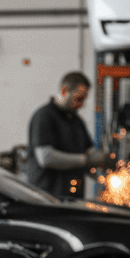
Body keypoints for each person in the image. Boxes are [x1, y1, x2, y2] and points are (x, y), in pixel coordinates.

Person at [25, 71, 111, 199]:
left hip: (72, 198)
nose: (81, 104)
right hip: (48, 198)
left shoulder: (76, 121)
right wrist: (86, 160)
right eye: (79, 99)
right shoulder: (45, 116)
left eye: (84, 100)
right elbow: (46, 157)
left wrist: (104, 162)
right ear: (65, 91)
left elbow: (89, 151)